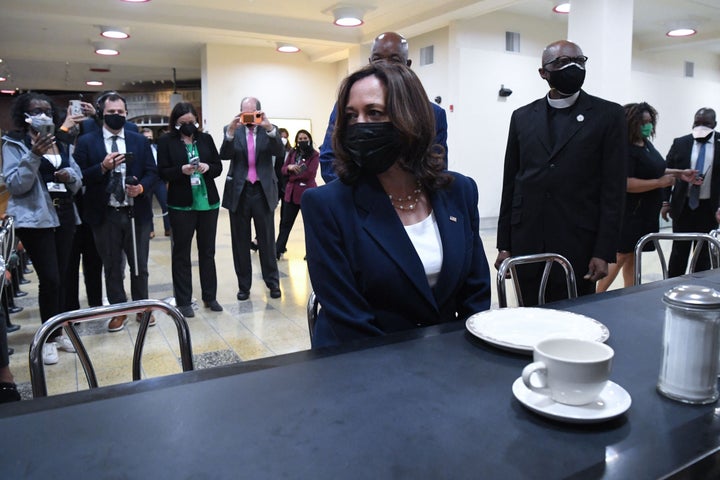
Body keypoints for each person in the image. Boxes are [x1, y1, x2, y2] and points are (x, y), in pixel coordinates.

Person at [302, 61, 491, 348]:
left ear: (411, 118)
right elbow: (349, 319)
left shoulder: (459, 191)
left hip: (447, 358)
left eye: (374, 112)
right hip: (363, 364)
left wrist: (464, 357)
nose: (359, 125)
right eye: (351, 116)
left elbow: (475, 294)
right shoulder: (326, 204)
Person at [495, 40, 628, 305]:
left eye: (579, 61)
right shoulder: (522, 116)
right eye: (561, 62)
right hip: (527, 239)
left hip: (579, 242)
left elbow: (613, 189)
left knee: (575, 319)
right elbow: (511, 182)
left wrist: (604, 251)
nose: (572, 66)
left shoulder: (608, 115)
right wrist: (504, 244)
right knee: (527, 315)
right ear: (543, 72)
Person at [1, 92, 83, 364]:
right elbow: (15, 185)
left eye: (47, 110)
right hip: (35, 218)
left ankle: (59, 332)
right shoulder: (14, 143)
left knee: (64, 277)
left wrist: (69, 175)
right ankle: (47, 337)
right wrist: (34, 155)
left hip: (65, 214)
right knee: (50, 279)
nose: (42, 115)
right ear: (24, 115)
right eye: (36, 110)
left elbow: (77, 179)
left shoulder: (63, 142)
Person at [73, 92, 158, 332]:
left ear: (127, 113)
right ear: (101, 114)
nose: (116, 116)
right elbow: (78, 175)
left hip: (136, 212)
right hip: (104, 213)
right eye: (111, 112)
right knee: (111, 265)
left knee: (139, 264)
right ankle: (119, 310)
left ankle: (142, 308)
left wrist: (141, 187)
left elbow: (153, 172)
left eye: (120, 112)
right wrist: (102, 167)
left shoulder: (139, 140)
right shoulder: (88, 141)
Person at [318, 32, 448, 183]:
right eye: (378, 59)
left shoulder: (433, 114)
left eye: (394, 59)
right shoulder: (350, 107)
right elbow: (329, 159)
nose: (385, 65)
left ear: (407, 65)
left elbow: (436, 166)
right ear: (370, 62)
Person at [597, 103, 698, 292]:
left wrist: (679, 173)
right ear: (631, 123)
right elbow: (625, 183)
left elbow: (654, 168)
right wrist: (659, 184)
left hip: (645, 212)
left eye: (650, 121)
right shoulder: (624, 149)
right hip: (629, 213)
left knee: (633, 256)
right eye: (644, 122)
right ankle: (595, 296)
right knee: (620, 256)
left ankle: (630, 293)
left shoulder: (645, 143)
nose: (648, 126)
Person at [157, 102, 223, 317]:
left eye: (191, 122)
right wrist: (181, 170)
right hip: (181, 204)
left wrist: (207, 167)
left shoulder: (206, 139)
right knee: (181, 253)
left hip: (208, 203)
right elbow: (163, 171)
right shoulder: (167, 141)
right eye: (183, 123)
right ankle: (184, 300)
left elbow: (218, 166)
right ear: (175, 123)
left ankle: (210, 296)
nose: (188, 126)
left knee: (207, 251)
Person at [220, 97, 284, 300]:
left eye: (252, 113)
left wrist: (269, 128)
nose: (248, 118)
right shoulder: (233, 130)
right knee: (240, 241)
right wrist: (230, 132)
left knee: (266, 240)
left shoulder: (269, 129)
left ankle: (273, 283)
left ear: (259, 112)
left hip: (262, 191)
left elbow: (280, 152)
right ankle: (244, 286)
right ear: (239, 113)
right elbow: (224, 155)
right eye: (244, 113)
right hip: (239, 191)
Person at [662, 108, 720, 277]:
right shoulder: (681, 143)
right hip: (683, 206)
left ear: (714, 124)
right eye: (697, 123)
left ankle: (698, 287)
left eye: (706, 124)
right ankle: (672, 285)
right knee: (679, 252)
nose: (701, 127)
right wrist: (665, 202)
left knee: (703, 254)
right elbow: (667, 172)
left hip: (709, 209)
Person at [275, 129, 319, 260]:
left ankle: (311, 252)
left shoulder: (315, 155)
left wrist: (292, 175)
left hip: (307, 194)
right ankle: (278, 249)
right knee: (285, 223)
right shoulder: (293, 153)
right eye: (300, 139)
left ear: (309, 139)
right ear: (296, 141)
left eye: (305, 138)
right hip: (291, 194)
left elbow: (310, 173)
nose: (303, 141)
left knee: (310, 225)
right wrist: (289, 168)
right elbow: (283, 169)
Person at [142, 128, 171, 239]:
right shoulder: (140, 149)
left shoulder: (157, 148)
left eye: (150, 137)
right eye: (146, 137)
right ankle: (150, 230)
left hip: (159, 181)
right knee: (147, 207)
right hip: (146, 181)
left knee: (165, 204)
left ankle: (168, 228)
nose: (148, 139)